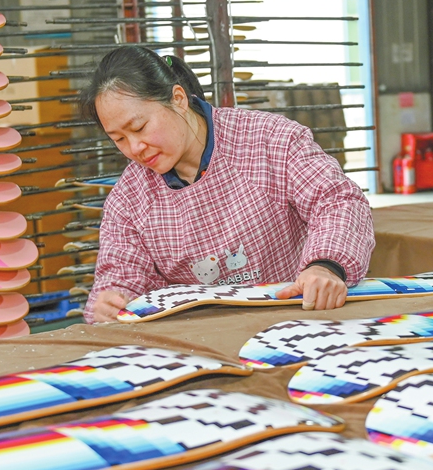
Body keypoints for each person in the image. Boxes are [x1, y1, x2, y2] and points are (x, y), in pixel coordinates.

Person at [79, 45, 375, 324]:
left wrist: (325, 266)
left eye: (139, 128)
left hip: (297, 317)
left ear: (178, 100)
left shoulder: (270, 139)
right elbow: (122, 273)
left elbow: (337, 201)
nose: (134, 148)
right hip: (201, 339)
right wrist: (111, 301)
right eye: (118, 139)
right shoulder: (129, 197)